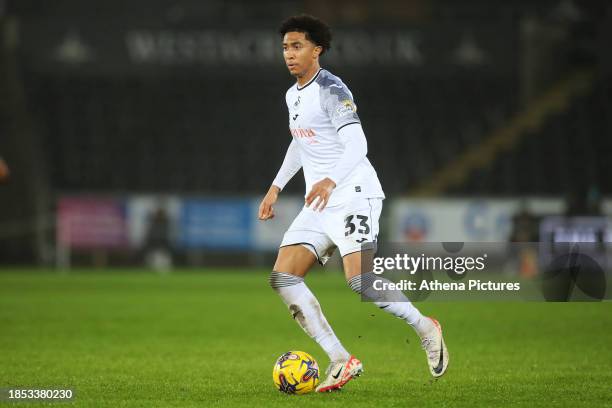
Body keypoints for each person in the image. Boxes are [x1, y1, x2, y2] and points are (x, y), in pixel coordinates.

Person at [258, 15, 449, 392]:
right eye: (285, 47)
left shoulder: (332, 88)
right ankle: (342, 359)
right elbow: (301, 141)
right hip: (319, 202)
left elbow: (358, 143)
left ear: (317, 49)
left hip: (352, 194)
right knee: (283, 277)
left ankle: (425, 326)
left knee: (361, 281)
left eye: (297, 46)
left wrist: (331, 179)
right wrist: (276, 186)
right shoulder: (292, 95)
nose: (289, 55)